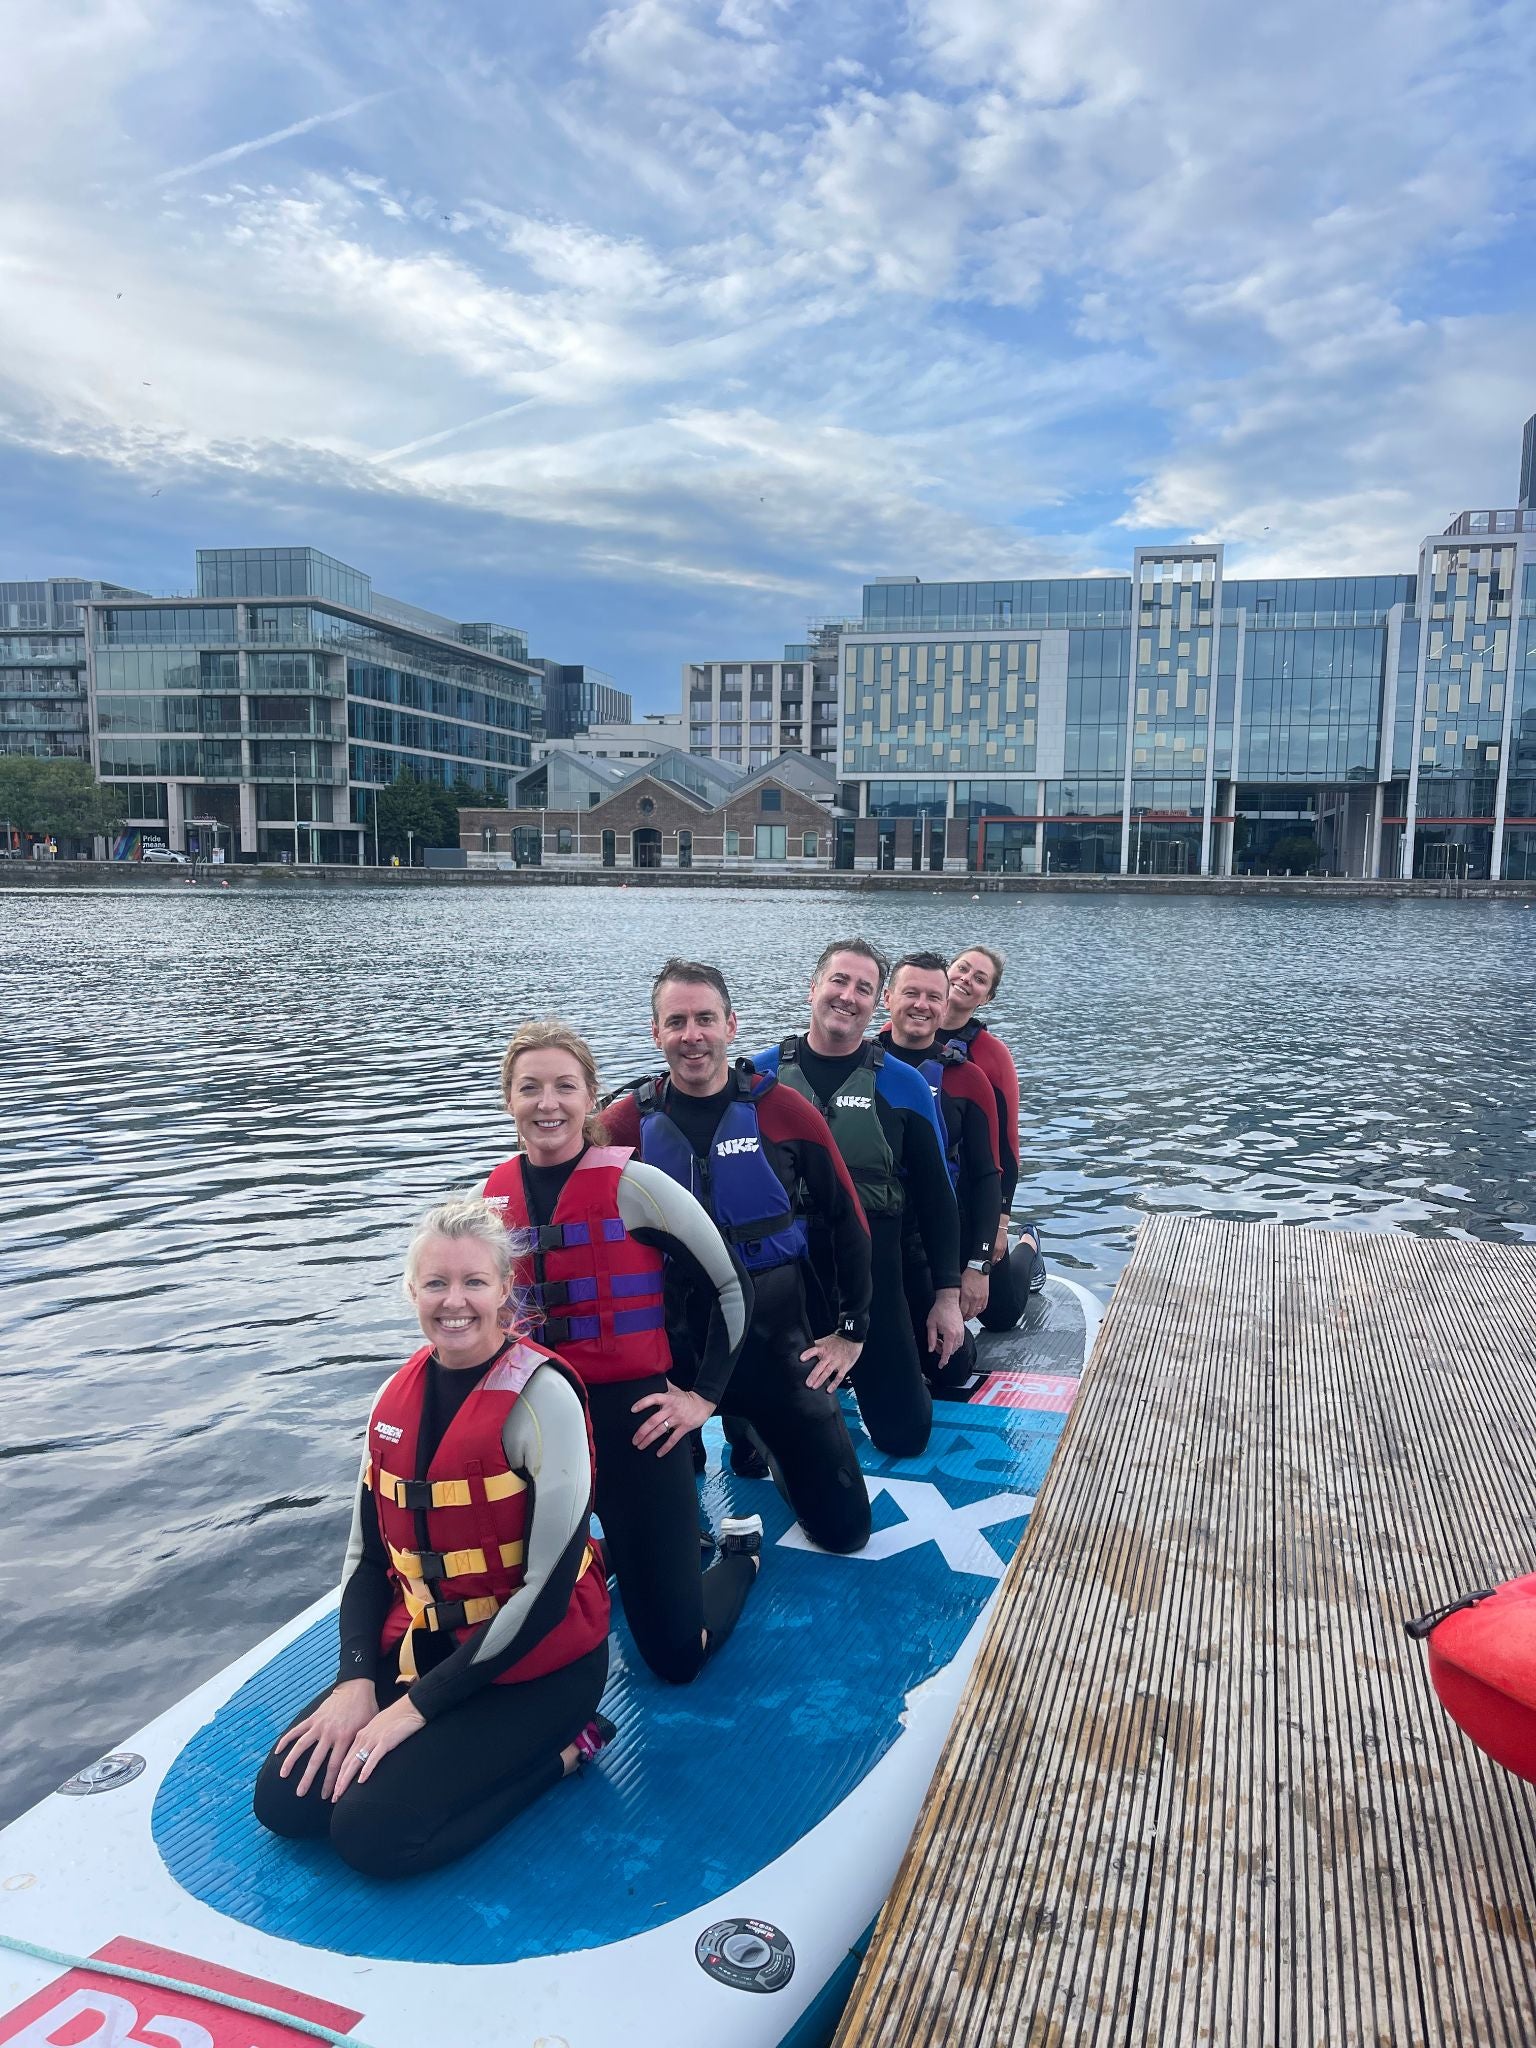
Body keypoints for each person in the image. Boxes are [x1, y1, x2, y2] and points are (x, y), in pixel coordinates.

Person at [252, 1196, 612, 1879]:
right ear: (411, 1291)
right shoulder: (393, 1398)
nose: (456, 1302)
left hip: (535, 1666)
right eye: (436, 1283)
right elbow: (366, 1563)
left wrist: (415, 1709)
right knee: (286, 1803)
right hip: (426, 1646)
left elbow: (548, 1589)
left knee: (372, 1837)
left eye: (475, 1282)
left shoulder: (544, 1399)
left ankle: (567, 1753)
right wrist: (355, 1681)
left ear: (506, 1289)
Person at [483, 1019, 761, 1687]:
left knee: (674, 1657)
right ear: (509, 1100)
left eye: (565, 1087)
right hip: (540, 1436)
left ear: (589, 1098)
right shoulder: (489, 1201)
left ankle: (741, 1556)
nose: (547, 1103)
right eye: (530, 1088)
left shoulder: (635, 1186)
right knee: (514, 1636)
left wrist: (703, 1399)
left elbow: (731, 1285)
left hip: (638, 1432)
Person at [604, 959, 873, 1556]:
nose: (692, 1035)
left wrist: (850, 1333)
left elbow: (850, 1222)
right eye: (676, 1022)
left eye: (705, 1019)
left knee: (846, 1534)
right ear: (655, 1033)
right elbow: (560, 1205)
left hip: (776, 1346)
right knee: (663, 1550)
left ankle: (756, 1431)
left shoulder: (783, 1110)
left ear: (731, 1024)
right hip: (671, 1357)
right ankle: (701, 1442)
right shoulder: (625, 1122)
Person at [754, 939, 964, 1458]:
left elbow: (938, 1201)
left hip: (875, 1278)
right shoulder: (757, 1077)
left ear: (878, 1003)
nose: (848, 996)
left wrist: (947, 1297)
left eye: (863, 988)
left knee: (906, 1439)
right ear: (813, 989)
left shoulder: (904, 1085)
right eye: (839, 982)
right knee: (757, 1452)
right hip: (787, 1282)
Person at [877, 951, 1003, 1391]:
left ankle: (1027, 1250)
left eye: (933, 996)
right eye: (910, 993)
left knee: (948, 1368)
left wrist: (977, 1266)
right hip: (873, 1237)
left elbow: (989, 1174)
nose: (921, 1005)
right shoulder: (859, 1065)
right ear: (887, 997)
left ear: (945, 1003)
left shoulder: (968, 1077)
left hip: (937, 1238)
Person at [938, 944, 1045, 1327]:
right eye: (962, 969)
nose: (966, 979)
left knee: (999, 1315)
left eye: (979, 979)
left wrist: (999, 1225)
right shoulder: (894, 1034)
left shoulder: (992, 1056)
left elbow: (1007, 1148)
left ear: (987, 997)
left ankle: (1028, 1246)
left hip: (975, 1198)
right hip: (924, 1201)